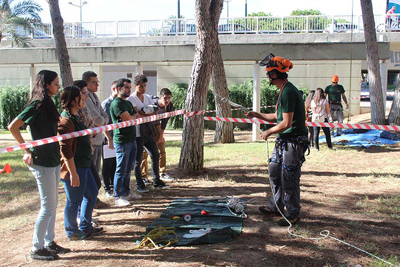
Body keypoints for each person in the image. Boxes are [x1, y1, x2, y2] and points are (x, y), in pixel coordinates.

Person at [8, 70, 70, 261]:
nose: (59, 87)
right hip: (41, 161)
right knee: (48, 206)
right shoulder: (36, 105)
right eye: (56, 84)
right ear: (46, 85)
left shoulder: (49, 103)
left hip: (52, 160)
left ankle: (49, 242)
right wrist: (27, 150)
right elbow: (13, 126)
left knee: (53, 204)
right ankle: (37, 248)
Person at [245, 53, 308, 226]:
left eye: (268, 73)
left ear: (275, 75)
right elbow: (276, 116)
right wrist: (257, 114)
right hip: (285, 141)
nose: (267, 76)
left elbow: (286, 123)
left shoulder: (288, 92)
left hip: (293, 142)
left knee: (289, 176)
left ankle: (293, 213)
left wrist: (269, 132)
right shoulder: (284, 90)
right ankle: (276, 206)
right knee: (274, 171)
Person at [58, 86, 103, 241]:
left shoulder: (77, 116)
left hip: (85, 162)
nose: (85, 98)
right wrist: (73, 173)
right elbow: (66, 151)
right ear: (72, 100)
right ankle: (72, 231)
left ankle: (86, 226)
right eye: (81, 96)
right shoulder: (66, 121)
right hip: (75, 166)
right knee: (74, 200)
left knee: (91, 193)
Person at [128, 74, 169, 193]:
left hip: (149, 131)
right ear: (135, 86)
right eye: (140, 86)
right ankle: (140, 183)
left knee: (155, 154)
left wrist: (146, 112)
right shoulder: (131, 98)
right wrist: (146, 112)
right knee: (138, 159)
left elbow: (154, 111)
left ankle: (157, 181)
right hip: (137, 133)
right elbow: (137, 114)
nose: (143, 88)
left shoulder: (147, 97)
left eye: (145, 85)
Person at [110, 78, 142, 207]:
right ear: (119, 89)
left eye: (130, 87)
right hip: (122, 141)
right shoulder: (116, 104)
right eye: (127, 87)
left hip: (132, 139)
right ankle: (118, 195)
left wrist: (132, 117)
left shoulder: (127, 103)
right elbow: (129, 118)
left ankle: (126, 192)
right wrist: (132, 117)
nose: (129, 90)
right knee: (121, 169)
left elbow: (136, 116)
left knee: (129, 168)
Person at [82, 71, 110, 208]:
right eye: (94, 82)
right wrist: (102, 121)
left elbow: (104, 116)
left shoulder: (94, 96)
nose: (97, 84)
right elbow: (96, 118)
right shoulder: (86, 98)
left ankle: (94, 199)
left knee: (96, 173)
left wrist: (103, 121)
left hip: (99, 140)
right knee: (91, 176)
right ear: (86, 83)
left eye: (97, 81)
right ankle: (89, 201)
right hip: (91, 142)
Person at [141, 88, 174, 182]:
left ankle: (162, 172)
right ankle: (143, 176)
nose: (167, 100)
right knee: (144, 153)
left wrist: (161, 136)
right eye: (165, 98)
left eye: (169, 98)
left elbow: (165, 121)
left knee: (161, 149)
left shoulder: (169, 105)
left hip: (157, 126)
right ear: (160, 97)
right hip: (147, 127)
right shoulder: (153, 104)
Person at [101, 80, 118, 198]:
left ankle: (113, 185)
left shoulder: (119, 102)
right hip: (107, 139)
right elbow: (104, 124)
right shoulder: (106, 104)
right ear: (114, 89)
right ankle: (107, 188)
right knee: (107, 164)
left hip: (117, 138)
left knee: (115, 164)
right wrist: (109, 138)